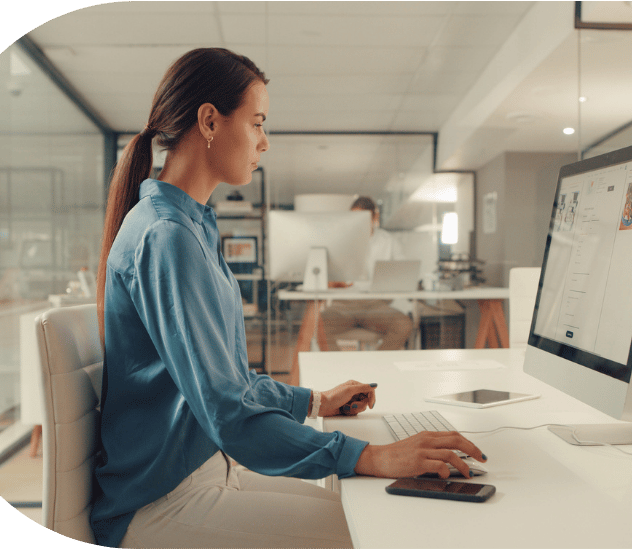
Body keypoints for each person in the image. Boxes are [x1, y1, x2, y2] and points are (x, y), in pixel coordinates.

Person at [90, 48, 485, 549]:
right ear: (210, 121)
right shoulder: (166, 237)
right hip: (160, 500)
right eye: (257, 123)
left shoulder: (188, 228)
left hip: (204, 468)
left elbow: (228, 383)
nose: (265, 141)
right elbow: (229, 412)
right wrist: (372, 455)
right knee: (382, 530)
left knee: (370, 506)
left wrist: (315, 401)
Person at [320, 196, 414, 351]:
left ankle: (375, 367)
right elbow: (325, 277)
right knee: (319, 325)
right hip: (343, 305)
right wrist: (332, 283)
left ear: (374, 217)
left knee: (403, 325)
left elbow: (403, 273)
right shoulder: (340, 242)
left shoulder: (388, 242)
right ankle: (339, 372)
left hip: (376, 306)